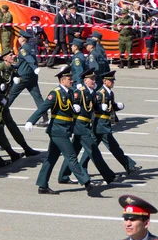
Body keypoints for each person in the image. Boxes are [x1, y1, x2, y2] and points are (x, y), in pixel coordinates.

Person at [24, 66, 101, 195]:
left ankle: (42, 185)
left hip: (65, 129)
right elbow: (43, 107)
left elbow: (72, 107)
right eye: (69, 79)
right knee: (71, 156)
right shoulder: (56, 93)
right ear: (62, 80)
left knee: (50, 158)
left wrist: (75, 109)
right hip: (57, 130)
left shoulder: (70, 92)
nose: (72, 81)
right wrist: (31, 120)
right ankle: (87, 183)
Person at [57, 68, 118, 185]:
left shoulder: (92, 92)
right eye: (92, 79)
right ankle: (109, 176)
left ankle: (63, 176)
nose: (94, 81)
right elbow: (71, 106)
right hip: (80, 126)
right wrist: (74, 109)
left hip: (86, 124)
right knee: (94, 150)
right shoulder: (79, 92)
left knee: (74, 152)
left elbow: (94, 108)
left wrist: (103, 108)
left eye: (94, 79)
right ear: (85, 80)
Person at [81, 71, 141, 175]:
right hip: (100, 124)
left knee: (91, 149)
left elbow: (110, 106)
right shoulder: (100, 93)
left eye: (113, 80)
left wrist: (117, 106)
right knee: (113, 147)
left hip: (105, 124)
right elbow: (93, 108)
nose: (113, 82)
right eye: (111, 80)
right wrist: (101, 109)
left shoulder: (109, 93)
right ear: (105, 81)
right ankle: (129, 166)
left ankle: (81, 167)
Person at [7, 30, 47, 126]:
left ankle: (0, 116)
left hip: (23, 77)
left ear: (22, 39)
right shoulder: (31, 47)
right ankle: (46, 118)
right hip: (32, 77)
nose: (18, 39)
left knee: (11, 95)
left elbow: (29, 60)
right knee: (38, 98)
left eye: (19, 37)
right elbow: (23, 63)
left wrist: (34, 67)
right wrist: (12, 66)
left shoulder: (23, 49)